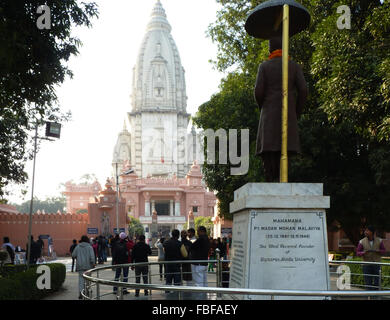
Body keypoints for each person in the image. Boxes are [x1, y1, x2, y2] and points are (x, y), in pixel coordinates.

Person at [254, 36, 308, 182]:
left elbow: (258, 92)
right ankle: (283, 179)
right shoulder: (293, 66)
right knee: (285, 153)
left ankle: (271, 180)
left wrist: (263, 107)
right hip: (288, 115)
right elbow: (303, 90)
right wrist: (296, 113)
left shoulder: (264, 66)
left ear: (270, 49)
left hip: (269, 116)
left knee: (269, 154)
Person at [356, 226, 386, 290]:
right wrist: (363, 253)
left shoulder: (379, 240)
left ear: (372, 232)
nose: (365, 232)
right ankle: (368, 297)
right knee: (368, 283)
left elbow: (384, 251)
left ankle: (375, 296)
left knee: (377, 283)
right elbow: (357, 253)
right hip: (366, 265)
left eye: (367, 231)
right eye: (365, 231)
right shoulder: (361, 241)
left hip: (377, 264)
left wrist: (379, 251)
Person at [72, 235, 95, 299]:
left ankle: (81, 293)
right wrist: (93, 264)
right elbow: (92, 257)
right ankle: (87, 291)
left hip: (80, 266)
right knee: (88, 279)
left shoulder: (78, 246)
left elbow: (73, 255)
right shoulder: (89, 247)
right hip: (88, 266)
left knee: (81, 280)